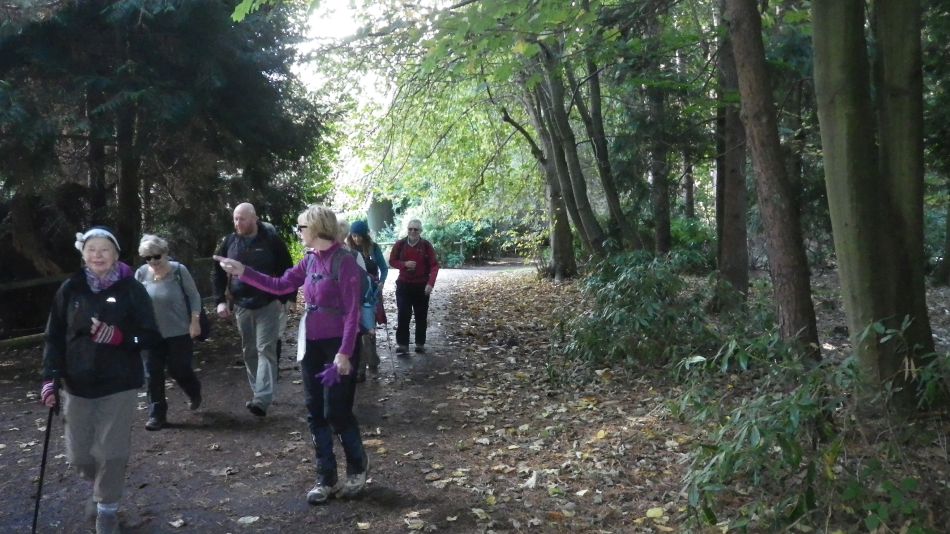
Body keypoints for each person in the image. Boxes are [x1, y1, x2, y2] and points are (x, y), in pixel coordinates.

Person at [213, 205, 369, 504]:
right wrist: (243, 271)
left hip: (338, 347)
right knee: (315, 411)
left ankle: (357, 467)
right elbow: (280, 284)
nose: (298, 232)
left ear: (317, 228)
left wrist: (345, 352)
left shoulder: (345, 261)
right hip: (311, 345)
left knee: (336, 411)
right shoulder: (309, 260)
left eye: (301, 227)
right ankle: (325, 477)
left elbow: (352, 312)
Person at [40, 227, 161, 534]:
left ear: (116, 255)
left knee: (112, 452)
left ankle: (107, 511)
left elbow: (149, 336)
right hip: (76, 383)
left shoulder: (132, 290)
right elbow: (54, 336)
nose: (98, 255)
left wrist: (120, 337)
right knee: (79, 456)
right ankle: (100, 489)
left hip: (119, 382)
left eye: (104, 249)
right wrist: (50, 377)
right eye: (91, 249)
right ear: (83, 254)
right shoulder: (71, 288)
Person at [212, 203, 294, 417]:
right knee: (249, 350)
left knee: (265, 348)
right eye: (235, 219)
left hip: (268, 303)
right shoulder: (229, 242)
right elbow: (217, 272)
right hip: (241, 305)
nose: (238, 223)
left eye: (242, 219)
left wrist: (287, 298)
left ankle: (261, 399)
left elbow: (287, 269)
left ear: (254, 219)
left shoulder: (272, 241)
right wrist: (220, 300)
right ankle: (259, 391)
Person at [134, 234, 203, 431]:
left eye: (156, 256)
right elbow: (134, 300)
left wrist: (195, 321)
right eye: (148, 258)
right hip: (151, 334)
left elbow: (194, 296)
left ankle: (193, 390)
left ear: (165, 253)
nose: (153, 261)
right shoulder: (140, 274)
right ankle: (156, 415)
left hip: (179, 331)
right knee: (152, 373)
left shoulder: (179, 271)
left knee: (178, 368)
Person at [388, 219, 439, 354]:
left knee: (421, 316)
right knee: (403, 314)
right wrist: (404, 264)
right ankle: (403, 345)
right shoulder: (400, 244)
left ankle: (420, 343)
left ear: (420, 231)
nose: (412, 231)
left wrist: (430, 284)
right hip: (403, 284)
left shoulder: (426, 246)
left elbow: (435, 266)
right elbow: (392, 261)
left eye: (415, 229)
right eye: (410, 229)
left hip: (421, 285)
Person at [347, 220, 388, 380]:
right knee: (357, 329)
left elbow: (383, 268)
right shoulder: (347, 250)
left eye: (359, 236)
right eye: (354, 235)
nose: (356, 239)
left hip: (371, 291)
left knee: (369, 327)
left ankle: (372, 362)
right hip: (353, 293)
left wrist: (381, 282)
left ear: (365, 235)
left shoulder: (373, 248)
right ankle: (360, 368)